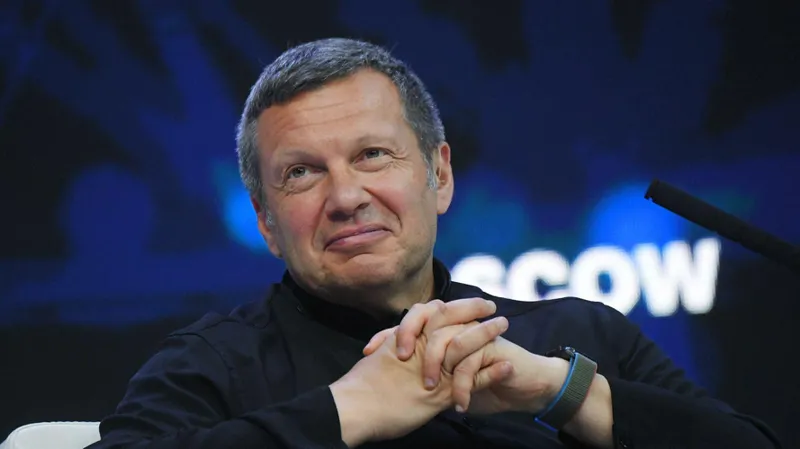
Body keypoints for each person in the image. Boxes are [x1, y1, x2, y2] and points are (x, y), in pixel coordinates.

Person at [87, 38, 780, 449]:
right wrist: (349, 409)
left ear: (439, 176)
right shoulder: (212, 365)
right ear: (266, 222)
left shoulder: (578, 334)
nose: (346, 195)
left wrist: (560, 392)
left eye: (372, 155)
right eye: (301, 173)